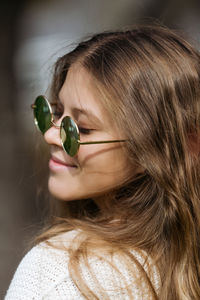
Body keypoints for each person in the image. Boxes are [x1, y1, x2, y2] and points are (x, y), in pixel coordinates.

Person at [5, 24, 200, 299]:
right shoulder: (184, 265)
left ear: (151, 150)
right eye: (56, 112)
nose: (50, 135)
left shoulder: (55, 273)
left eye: (81, 129)